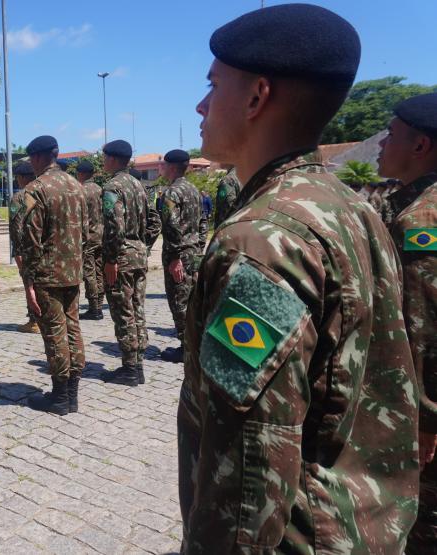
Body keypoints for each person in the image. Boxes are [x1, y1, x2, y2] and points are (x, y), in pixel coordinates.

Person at [179, 5, 419, 552]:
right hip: (365, 522)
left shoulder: (262, 238)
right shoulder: (349, 206)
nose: (201, 104)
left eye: (213, 85)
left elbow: (247, 467)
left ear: (257, 97)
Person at [375, 92, 437, 554]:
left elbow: (424, 327)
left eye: (391, 134)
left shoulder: (422, 219)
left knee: (423, 523)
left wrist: (426, 419)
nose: (380, 144)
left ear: (421, 147)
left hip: (424, 411)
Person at [15, 135, 87, 415]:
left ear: (36, 158)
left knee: (55, 332)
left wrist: (29, 281)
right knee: (73, 327)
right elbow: (88, 229)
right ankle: (72, 394)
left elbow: (29, 239)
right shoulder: (77, 186)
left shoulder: (35, 189)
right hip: (73, 271)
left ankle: (59, 397)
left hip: (47, 274)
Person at [101, 140, 161, 385]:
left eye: (105, 157)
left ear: (114, 159)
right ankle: (138, 363)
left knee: (123, 310)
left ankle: (130, 368)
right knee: (137, 308)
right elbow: (154, 220)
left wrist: (111, 259)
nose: (103, 162)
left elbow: (114, 226)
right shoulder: (139, 185)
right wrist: (143, 245)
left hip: (122, 258)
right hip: (138, 254)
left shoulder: (112, 187)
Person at [157, 149, 207, 363]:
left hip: (179, 254)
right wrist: (199, 245)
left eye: (163, 165)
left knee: (179, 301)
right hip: (194, 251)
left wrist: (176, 256)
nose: (162, 168)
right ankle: (195, 343)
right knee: (193, 299)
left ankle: (187, 348)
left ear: (171, 167)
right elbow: (204, 221)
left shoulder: (172, 192)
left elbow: (171, 224)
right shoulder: (195, 190)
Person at [8, 161, 39, 334]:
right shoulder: (43, 192)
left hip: (27, 249)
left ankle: (34, 319)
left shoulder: (19, 197)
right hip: (45, 248)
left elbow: (16, 227)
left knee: (29, 284)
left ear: (21, 178)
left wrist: (17, 252)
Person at [77, 160, 105, 321]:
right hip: (101, 235)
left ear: (80, 174)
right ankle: (99, 304)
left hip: (88, 237)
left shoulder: (81, 191)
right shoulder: (101, 189)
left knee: (89, 272)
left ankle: (94, 308)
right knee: (99, 271)